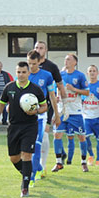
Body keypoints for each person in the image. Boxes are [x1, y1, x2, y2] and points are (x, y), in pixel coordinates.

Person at [0, 61, 47, 197]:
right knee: (14, 158)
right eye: (18, 72)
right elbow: (1, 104)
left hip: (30, 126)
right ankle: (27, 173)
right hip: (14, 126)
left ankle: (25, 187)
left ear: (28, 73)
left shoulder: (35, 89)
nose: (21, 75)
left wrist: (36, 111)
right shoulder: (9, 87)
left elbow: (45, 107)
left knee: (26, 155)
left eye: (23, 72)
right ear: (16, 73)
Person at [27, 50, 61, 187]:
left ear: (39, 62)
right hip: (26, 116)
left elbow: (52, 96)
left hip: (41, 114)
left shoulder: (47, 76)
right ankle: (39, 168)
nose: (31, 67)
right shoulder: (23, 75)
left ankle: (33, 174)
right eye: (29, 63)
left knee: (38, 144)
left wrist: (57, 114)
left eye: (34, 64)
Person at [34, 41, 67, 174]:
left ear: (46, 50)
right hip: (31, 107)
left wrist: (65, 106)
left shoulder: (51, 67)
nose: (38, 50)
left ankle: (43, 165)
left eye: (41, 48)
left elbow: (60, 85)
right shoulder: (30, 67)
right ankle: (61, 153)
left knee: (45, 133)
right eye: (36, 47)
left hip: (47, 105)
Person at [53, 54, 90, 172]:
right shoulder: (59, 75)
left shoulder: (79, 76)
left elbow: (87, 92)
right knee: (57, 135)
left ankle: (84, 162)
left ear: (75, 62)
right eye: (65, 59)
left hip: (75, 111)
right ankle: (58, 162)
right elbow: (54, 91)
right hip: (62, 111)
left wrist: (74, 89)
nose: (66, 61)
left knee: (81, 137)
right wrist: (56, 97)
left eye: (68, 59)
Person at [82, 65, 99, 166]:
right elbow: (80, 101)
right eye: (90, 71)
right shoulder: (84, 87)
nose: (92, 73)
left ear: (97, 73)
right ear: (87, 73)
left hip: (98, 117)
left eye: (94, 71)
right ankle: (90, 155)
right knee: (85, 137)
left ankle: (98, 159)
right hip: (86, 117)